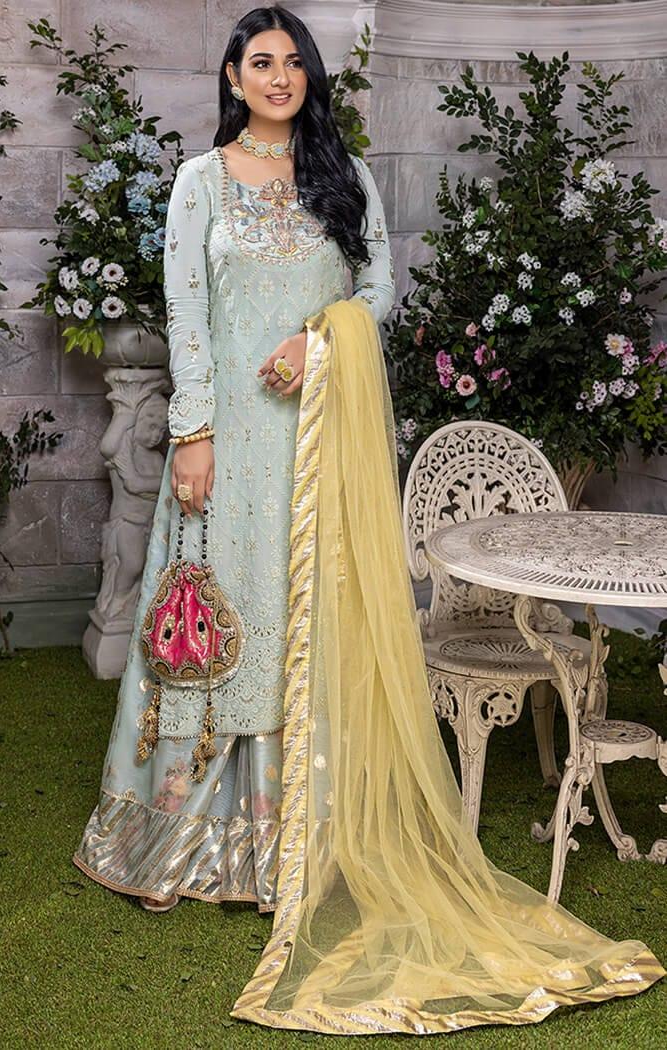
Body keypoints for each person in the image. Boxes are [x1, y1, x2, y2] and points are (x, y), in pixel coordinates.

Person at [74, 5, 665, 1036]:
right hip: (230, 445)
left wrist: (321, 342)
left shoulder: (340, 179)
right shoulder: (199, 182)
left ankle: (304, 845)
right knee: (217, 623)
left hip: (319, 451)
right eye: (260, 62)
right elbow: (185, 313)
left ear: (308, 78)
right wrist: (194, 433)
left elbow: (379, 289)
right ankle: (186, 841)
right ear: (231, 76)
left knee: (309, 627)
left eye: (292, 62)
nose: (278, 77)